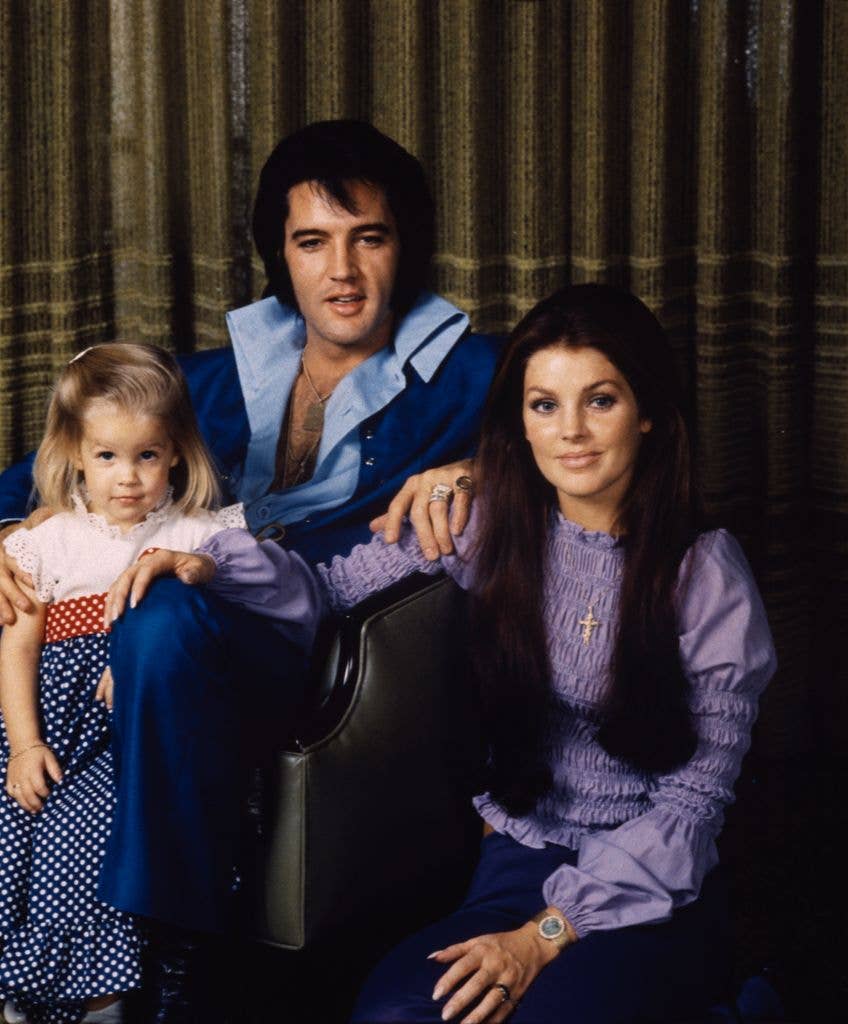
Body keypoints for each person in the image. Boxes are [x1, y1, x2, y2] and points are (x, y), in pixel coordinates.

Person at [137, 283, 776, 1022]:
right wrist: (203, 560)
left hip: (656, 888)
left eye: (600, 400)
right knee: (390, 1017)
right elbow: (326, 595)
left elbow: (692, 810)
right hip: (515, 863)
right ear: (520, 423)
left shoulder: (708, 575)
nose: (571, 431)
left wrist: (542, 938)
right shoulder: (484, 525)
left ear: (652, 415)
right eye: (545, 405)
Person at [0, 121, 498, 1019]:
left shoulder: (468, 374)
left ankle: (168, 957)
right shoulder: (216, 377)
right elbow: (52, 461)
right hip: (170, 641)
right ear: (282, 253)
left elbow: (575, 440)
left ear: (405, 245)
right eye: (313, 242)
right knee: (130, 612)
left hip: (323, 641)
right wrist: (5, 534)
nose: (341, 272)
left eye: (368, 238)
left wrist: (478, 470)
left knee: (156, 614)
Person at [0, 345, 317, 1024]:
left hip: (134, 735)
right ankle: (23, 991)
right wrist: (25, 745)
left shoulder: (201, 533)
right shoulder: (47, 539)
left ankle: (101, 999)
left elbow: (229, 623)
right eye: (107, 456)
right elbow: (18, 641)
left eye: (147, 455)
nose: (127, 478)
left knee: (87, 842)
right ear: (74, 453)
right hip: (48, 725)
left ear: (176, 452)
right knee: (15, 830)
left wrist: (142, 653)